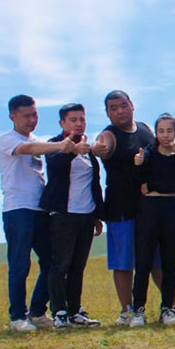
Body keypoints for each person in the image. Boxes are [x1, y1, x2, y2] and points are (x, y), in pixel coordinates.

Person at [91, 90, 175, 325]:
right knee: (123, 261)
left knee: (157, 258)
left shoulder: (144, 129)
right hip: (121, 207)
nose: (119, 111)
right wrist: (96, 149)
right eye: (112, 108)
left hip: (150, 205)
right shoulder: (109, 134)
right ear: (107, 112)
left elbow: (159, 150)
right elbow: (102, 145)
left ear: (132, 105)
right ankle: (127, 310)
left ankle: (173, 304)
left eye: (122, 105)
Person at [0, 94, 75, 331]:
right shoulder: (8, 139)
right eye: (26, 115)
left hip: (40, 210)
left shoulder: (39, 141)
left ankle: (37, 311)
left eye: (35, 114)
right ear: (13, 116)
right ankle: (17, 317)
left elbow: (38, 147)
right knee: (20, 264)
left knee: (52, 262)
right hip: (18, 209)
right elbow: (29, 148)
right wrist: (61, 145)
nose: (32, 119)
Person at [41, 103, 103, 328]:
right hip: (63, 215)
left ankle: (76, 310)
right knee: (60, 265)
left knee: (78, 266)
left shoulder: (88, 152)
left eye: (82, 119)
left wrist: (97, 215)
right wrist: (72, 149)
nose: (79, 124)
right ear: (62, 123)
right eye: (73, 120)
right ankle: (59, 312)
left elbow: (94, 184)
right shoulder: (55, 145)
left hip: (85, 215)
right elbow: (54, 165)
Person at [130, 114, 175, 326]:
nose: (165, 135)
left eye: (169, 131)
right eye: (161, 131)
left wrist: (155, 185)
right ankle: (138, 310)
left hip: (172, 208)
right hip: (149, 209)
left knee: (169, 263)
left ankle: (167, 309)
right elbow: (140, 182)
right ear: (156, 133)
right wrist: (138, 165)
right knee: (143, 261)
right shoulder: (147, 154)